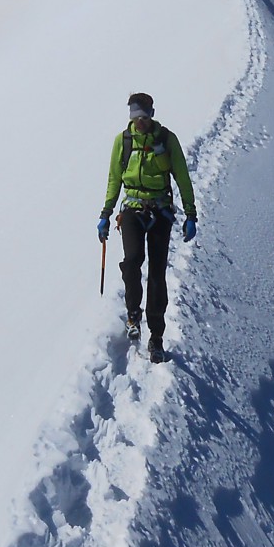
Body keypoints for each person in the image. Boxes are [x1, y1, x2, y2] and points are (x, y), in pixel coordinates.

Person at [97, 92, 198, 362]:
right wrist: (106, 213)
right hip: (131, 209)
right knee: (132, 261)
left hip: (160, 210)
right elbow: (114, 178)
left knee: (156, 272)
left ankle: (156, 337)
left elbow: (182, 177)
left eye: (143, 116)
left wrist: (191, 213)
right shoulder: (124, 141)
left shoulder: (166, 140)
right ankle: (133, 314)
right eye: (135, 116)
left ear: (151, 114)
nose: (139, 121)